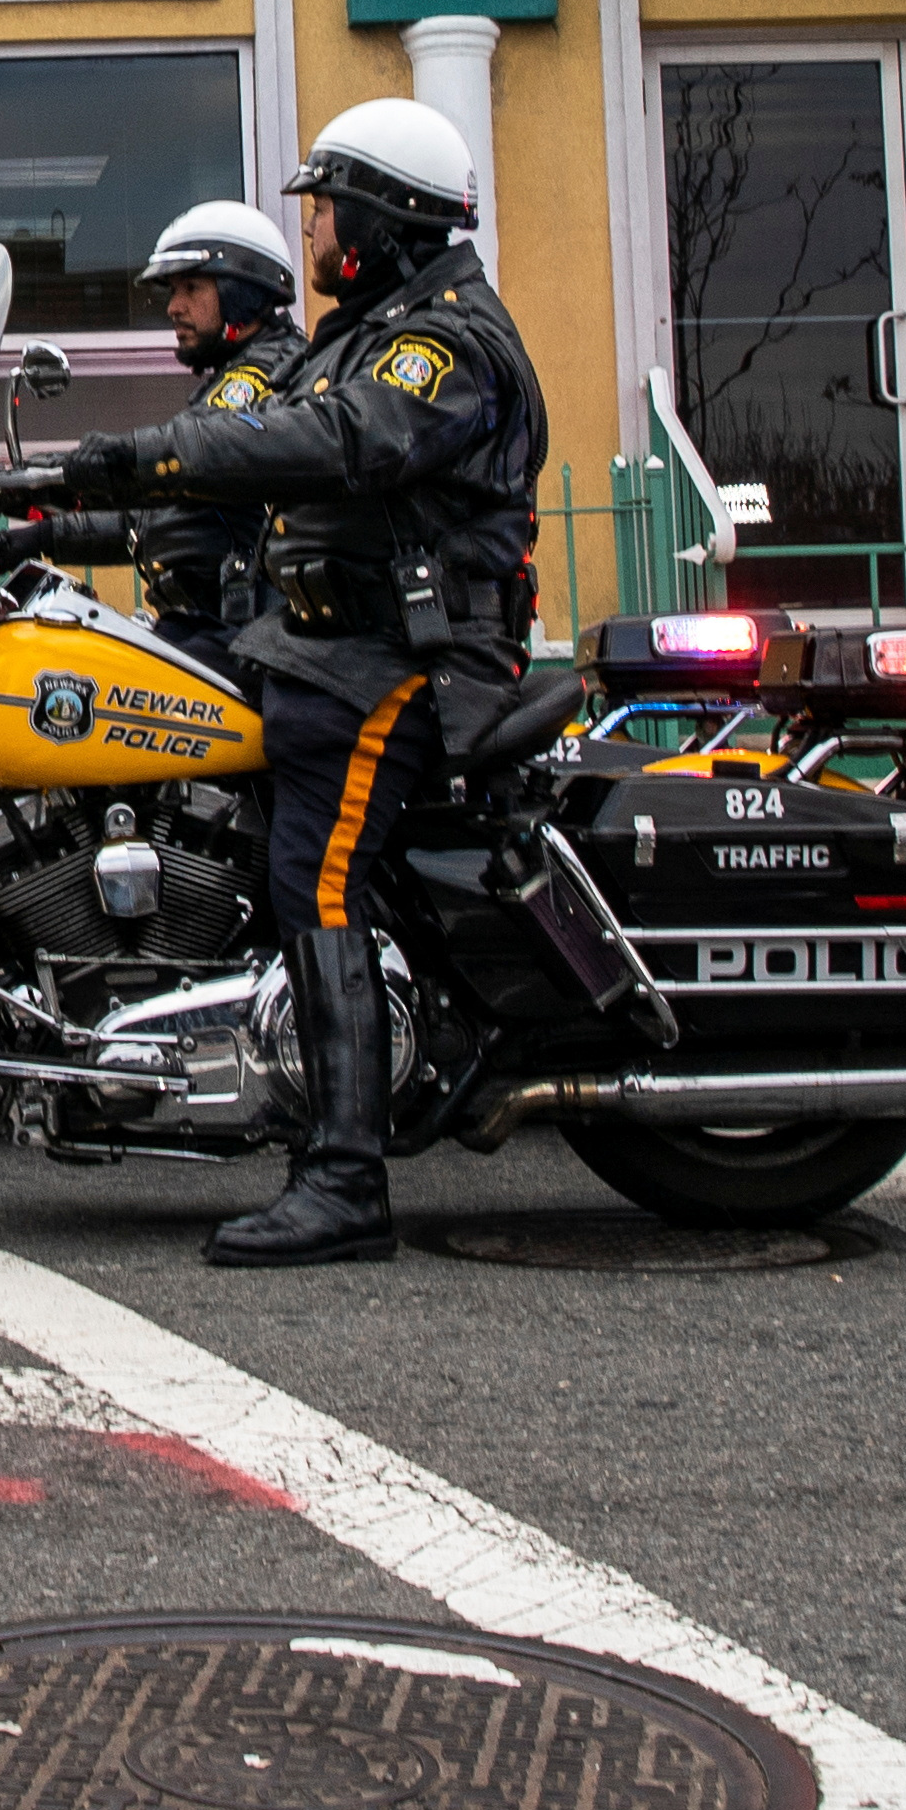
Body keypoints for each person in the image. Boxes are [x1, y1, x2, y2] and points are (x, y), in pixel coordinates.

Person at [45, 102, 541, 1269]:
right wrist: (43, 503)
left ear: (381, 216)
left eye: (326, 208)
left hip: (408, 666)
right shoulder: (364, 329)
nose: (311, 232)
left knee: (312, 882)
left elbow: (338, 441)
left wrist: (146, 449)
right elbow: (257, 451)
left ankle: (344, 1175)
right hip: (324, 653)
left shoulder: (441, 342)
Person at [0, 201, 306, 668]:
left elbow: (166, 466)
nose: (174, 307)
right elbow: (151, 520)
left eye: (192, 288)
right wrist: (34, 531)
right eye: (174, 291)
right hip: (210, 628)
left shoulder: (264, 378)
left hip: (244, 643)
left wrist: (57, 478)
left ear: (242, 291)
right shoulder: (235, 376)